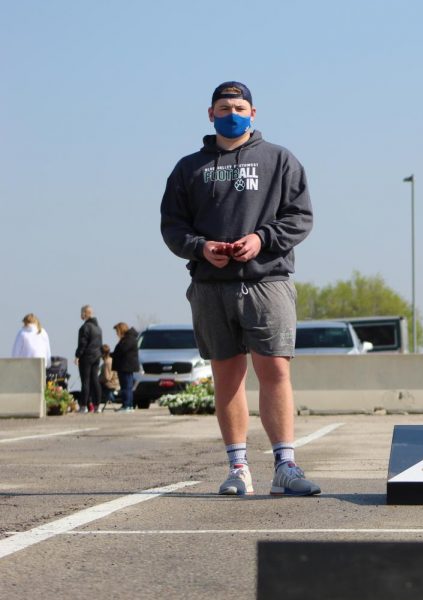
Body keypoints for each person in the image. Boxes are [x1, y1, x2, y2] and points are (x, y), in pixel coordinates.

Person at [160, 81, 317, 496]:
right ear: (210, 114)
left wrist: (262, 239)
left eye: (240, 106)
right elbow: (172, 227)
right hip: (211, 286)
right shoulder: (188, 168)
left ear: (254, 112)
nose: (233, 112)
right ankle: (238, 468)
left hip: (267, 281)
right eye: (225, 106)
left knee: (276, 370)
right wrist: (201, 247)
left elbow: (300, 217)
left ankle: (286, 466)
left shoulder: (279, 160)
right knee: (227, 376)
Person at [75, 305, 103, 413]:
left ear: (85, 313)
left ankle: (83, 406)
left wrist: (78, 355)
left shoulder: (85, 327)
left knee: (85, 381)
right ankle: (97, 405)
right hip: (97, 356)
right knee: (95, 380)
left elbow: (83, 343)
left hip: (86, 357)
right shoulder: (98, 328)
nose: (81, 315)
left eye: (82, 313)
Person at [111, 322, 139, 413]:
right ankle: (129, 405)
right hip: (126, 366)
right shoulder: (130, 338)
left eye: (117, 331)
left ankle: (127, 405)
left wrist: (112, 354)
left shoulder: (128, 339)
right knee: (128, 386)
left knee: (126, 387)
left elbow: (121, 351)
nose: (116, 334)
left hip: (126, 366)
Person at [99, 344, 120, 412]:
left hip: (110, 384)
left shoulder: (107, 362)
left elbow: (107, 377)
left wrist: (97, 379)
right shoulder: (111, 360)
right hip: (114, 382)